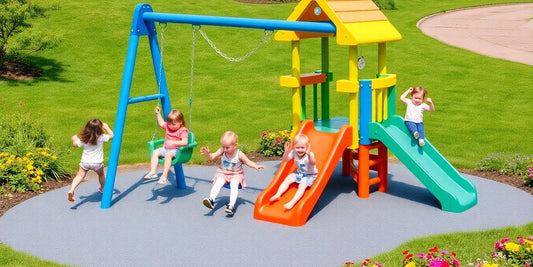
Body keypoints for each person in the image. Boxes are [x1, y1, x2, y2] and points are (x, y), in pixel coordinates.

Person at [201, 131, 265, 215]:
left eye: (227, 147)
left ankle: (231, 205)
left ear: (235, 145)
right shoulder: (222, 150)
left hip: (236, 174)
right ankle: (211, 200)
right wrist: (208, 154)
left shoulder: (239, 154)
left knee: (234, 184)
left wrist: (255, 166)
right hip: (223, 173)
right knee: (218, 182)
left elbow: (248, 162)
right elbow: (212, 156)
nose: (225, 149)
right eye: (223, 147)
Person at [68, 119, 114, 202]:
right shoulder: (101, 137)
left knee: (80, 176)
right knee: (101, 175)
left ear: (87, 128)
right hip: (97, 164)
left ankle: (72, 189)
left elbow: (75, 145)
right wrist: (107, 127)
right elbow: (112, 136)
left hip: (85, 163)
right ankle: (103, 187)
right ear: (100, 129)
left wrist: (74, 139)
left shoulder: (84, 138)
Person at [269, 134, 318, 210]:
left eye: (302, 148)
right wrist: (286, 152)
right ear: (294, 147)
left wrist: (308, 154)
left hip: (310, 175)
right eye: (297, 147)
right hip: (299, 173)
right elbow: (286, 159)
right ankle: (278, 194)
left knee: (302, 186)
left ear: (307, 147)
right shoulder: (294, 153)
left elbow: (313, 163)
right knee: (287, 179)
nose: (300, 150)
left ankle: (292, 202)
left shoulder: (310, 154)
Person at [144, 107, 189, 185]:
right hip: (165, 149)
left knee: (168, 155)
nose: (171, 126)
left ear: (181, 122)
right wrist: (158, 113)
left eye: (174, 124)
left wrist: (173, 142)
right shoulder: (168, 127)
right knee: (155, 152)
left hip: (175, 151)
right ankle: (153, 172)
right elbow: (161, 123)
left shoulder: (183, 130)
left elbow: (185, 142)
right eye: (169, 123)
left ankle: (164, 176)